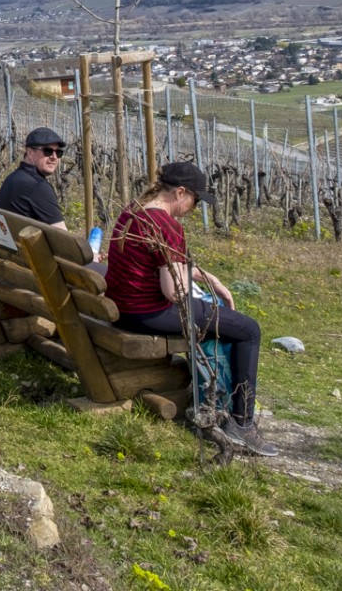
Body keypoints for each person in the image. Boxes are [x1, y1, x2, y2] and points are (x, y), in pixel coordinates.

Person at [103, 161, 277, 457]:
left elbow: (162, 262)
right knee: (248, 330)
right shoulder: (166, 225)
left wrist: (210, 278)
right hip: (150, 314)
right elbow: (174, 292)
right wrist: (193, 286)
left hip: (125, 306)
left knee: (225, 317)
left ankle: (219, 403)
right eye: (195, 200)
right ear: (180, 192)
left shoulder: (135, 210)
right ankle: (242, 423)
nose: (194, 207)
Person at [0, 127, 69, 229]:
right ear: (30, 153)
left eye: (58, 152)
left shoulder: (12, 178)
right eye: (48, 151)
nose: (54, 157)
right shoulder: (38, 186)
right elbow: (62, 236)